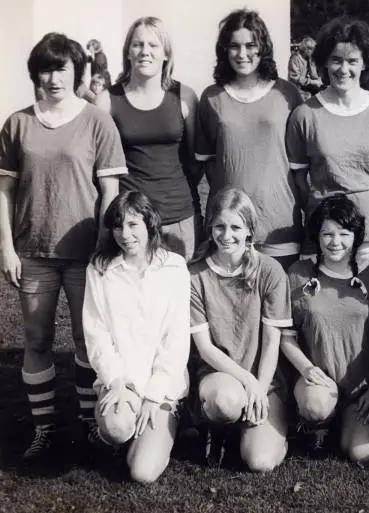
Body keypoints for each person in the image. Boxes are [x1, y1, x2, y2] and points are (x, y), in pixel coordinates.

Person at [0, 32, 126, 462]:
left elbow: (109, 189)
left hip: (84, 253)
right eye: (46, 69)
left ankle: (92, 426)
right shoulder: (17, 123)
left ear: (77, 72)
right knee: (36, 339)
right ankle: (46, 429)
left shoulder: (97, 120)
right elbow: (5, 192)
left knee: (86, 339)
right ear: (35, 73)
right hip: (32, 252)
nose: (54, 78)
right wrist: (6, 247)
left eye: (62, 68)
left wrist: (103, 243)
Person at [286, 16, 369, 275]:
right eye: (336, 60)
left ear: (365, 63)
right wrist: (316, 207)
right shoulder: (305, 115)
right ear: (324, 63)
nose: (343, 69)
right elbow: (298, 175)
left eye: (352, 61)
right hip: (325, 233)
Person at [83, 191, 190, 483]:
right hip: (123, 382)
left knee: (142, 473)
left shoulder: (175, 267)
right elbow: (96, 333)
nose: (124, 235)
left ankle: (159, 428)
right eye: (117, 226)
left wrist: (154, 396)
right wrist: (117, 381)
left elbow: (177, 339)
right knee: (117, 426)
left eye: (133, 225)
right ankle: (115, 435)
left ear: (150, 224)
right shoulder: (100, 267)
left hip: (162, 387)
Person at [281, 194, 369, 461]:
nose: (335, 242)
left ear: (356, 235)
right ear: (317, 236)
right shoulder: (299, 273)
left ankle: (348, 422)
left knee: (362, 454)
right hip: (316, 383)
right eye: (327, 234)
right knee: (316, 406)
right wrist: (306, 369)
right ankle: (315, 424)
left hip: (361, 388)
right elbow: (286, 337)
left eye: (343, 233)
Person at [189, 187, 290, 472]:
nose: (227, 235)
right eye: (219, 226)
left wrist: (258, 385)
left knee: (261, 462)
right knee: (224, 402)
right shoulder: (195, 274)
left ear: (249, 230)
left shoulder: (270, 271)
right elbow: (205, 348)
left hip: (264, 380)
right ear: (210, 227)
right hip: (219, 376)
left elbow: (272, 342)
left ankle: (262, 431)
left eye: (236, 227)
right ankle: (217, 428)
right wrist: (246, 380)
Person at [196, 9, 303, 271]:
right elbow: (208, 164)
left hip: (279, 224)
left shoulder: (286, 94)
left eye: (250, 45)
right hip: (229, 229)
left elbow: (300, 162)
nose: (242, 54)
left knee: (278, 308)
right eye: (234, 46)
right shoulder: (212, 98)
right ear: (224, 50)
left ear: (263, 47)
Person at [96, 17, 201, 260]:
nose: (145, 51)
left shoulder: (184, 96)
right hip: (130, 225)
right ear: (128, 53)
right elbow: (102, 172)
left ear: (166, 54)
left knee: (180, 296)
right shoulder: (106, 101)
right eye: (138, 45)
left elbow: (195, 162)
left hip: (179, 218)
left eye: (153, 45)